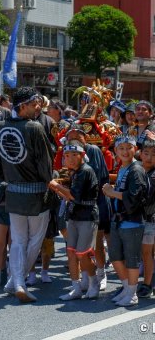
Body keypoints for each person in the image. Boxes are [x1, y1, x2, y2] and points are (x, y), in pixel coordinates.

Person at [0, 86, 54, 303]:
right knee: (34, 241)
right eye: (35, 104)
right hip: (36, 195)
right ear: (22, 106)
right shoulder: (35, 128)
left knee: (17, 241)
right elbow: (45, 164)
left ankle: (12, 283)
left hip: (12, 194)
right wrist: (51, 180)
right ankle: (19, 282)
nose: (38, 107)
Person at [49, 140, 100, 300]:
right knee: (71, 253)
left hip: (87, 217)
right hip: (75, 216)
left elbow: (73, 195)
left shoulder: (85, 171)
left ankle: (94, 283)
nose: (70, 159)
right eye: (67, 155)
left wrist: (54, 185)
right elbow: (71, 197)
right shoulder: (76, 172)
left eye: (74, 155)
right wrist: (56, 188)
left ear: (82, 155)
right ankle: (76, 288)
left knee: (82, 254)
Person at [65, 124, 112, 291]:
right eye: (71, 137)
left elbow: (99, 177)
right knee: (79, 246)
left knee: (97, 242)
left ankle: (101, 273)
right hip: (76, 204)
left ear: (86, 138)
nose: (75, 140)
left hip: (95, 201)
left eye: (79, 137)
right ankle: (86, 278)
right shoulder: (68, 152)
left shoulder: (92, 150)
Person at [102, 135, 148, 306]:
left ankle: (132, 293)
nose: (125, 151)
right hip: (119, 219)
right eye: (121, 148)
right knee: (115, 256)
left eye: (129, 147)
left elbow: (135, 197)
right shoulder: (123, 168)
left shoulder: (136, 169)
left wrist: (112, 193)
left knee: (131, 257)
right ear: (116, 151)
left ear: (135, 149)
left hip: (132, 220)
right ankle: (127, 289)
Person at [137, 139, 155, 298]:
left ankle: (147, 284)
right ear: (141, 154)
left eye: (153, 154)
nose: (149, 157)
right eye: (146, 153)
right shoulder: (138, 170)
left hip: (151, 219)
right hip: (142, 218)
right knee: (146, 253)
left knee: (147, 252)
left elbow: (145, 198)